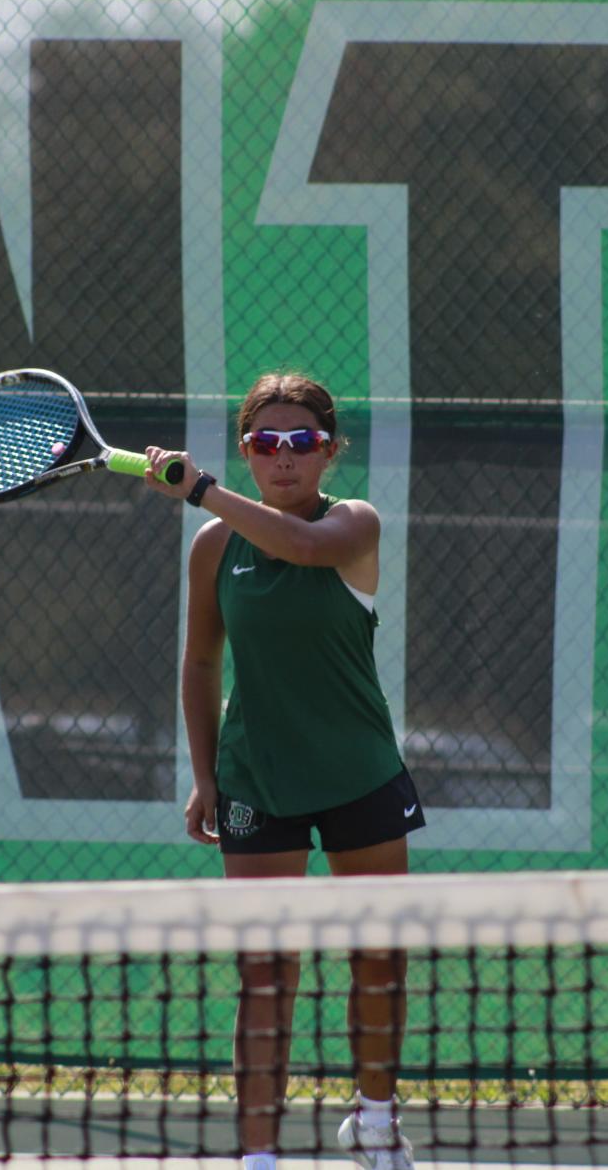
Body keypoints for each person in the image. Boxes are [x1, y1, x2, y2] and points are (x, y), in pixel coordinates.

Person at [142, 370, 424, 1170]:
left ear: (328, 450)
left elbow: (299, 545)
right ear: (248, 450)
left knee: (376, 955)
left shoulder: (353, 524)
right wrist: (205, 775)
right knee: (265, 972)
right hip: (255, 782)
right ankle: (258, 1156)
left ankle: (374, 1120)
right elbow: (200, 661)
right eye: (265, 443)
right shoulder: (213, 547)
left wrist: (202, 488)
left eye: (300, 442)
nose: (283, 457)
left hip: (359, 774)